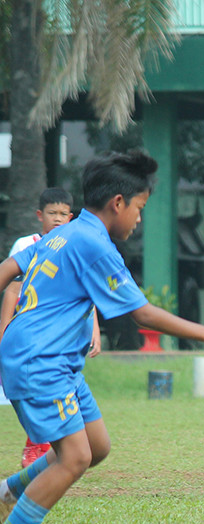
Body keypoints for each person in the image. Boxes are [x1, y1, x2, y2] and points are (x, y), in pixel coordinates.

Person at [0, 150, 204, 524]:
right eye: (140, 208)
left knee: (96, 447)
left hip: (53, 360)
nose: (139, 219)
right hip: (42, 361)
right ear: (118, 202)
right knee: (73, 457)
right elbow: (141, 313)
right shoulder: (95, 245)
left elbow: (8, 269)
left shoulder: (62, 233)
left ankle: (8, 493)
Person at [0, 188, 103, 468]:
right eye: (51, 213)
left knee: (93, 445)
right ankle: (37, 448)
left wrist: (94, 328)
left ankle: (44, 455)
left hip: (62, 342)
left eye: (62, 214)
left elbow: (85, 295)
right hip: (31, 340)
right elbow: (12, 290)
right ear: (39, 215)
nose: (57, 219)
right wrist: (3, 332)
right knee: (43, 396)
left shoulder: (76, 245)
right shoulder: (29, 245)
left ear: (71, 217)